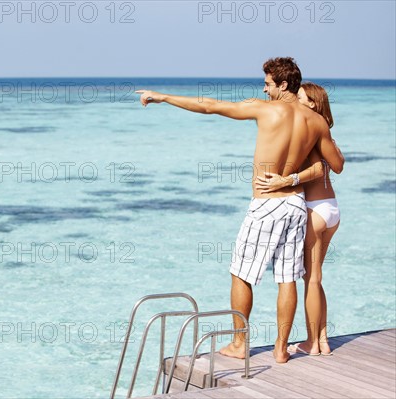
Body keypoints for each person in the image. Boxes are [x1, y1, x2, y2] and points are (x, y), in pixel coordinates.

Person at [136, 57, 344, 363]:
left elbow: (210, 106)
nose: (264, 89)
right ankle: (280, 348)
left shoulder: (265, 109)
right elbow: (333, 164)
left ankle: (238, 343)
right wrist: (294, 177)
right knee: (287, 278)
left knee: (241, 274)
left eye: (268, 84)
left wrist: (164, 96)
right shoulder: (316, 122)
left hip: (266, 204)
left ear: (283, 85)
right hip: (297, 204)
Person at [255, 82, 344, 356]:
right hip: (332, 208)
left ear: (314, 103)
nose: (296, 102)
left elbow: (319, 168)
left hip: (314, 210)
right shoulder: (322, 131)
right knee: (316, 278)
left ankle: (312, 343)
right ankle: (323, 339)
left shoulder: (304, 129)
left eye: (302, 98)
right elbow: (337, 165)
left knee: (312, 278)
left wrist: (288, 179)